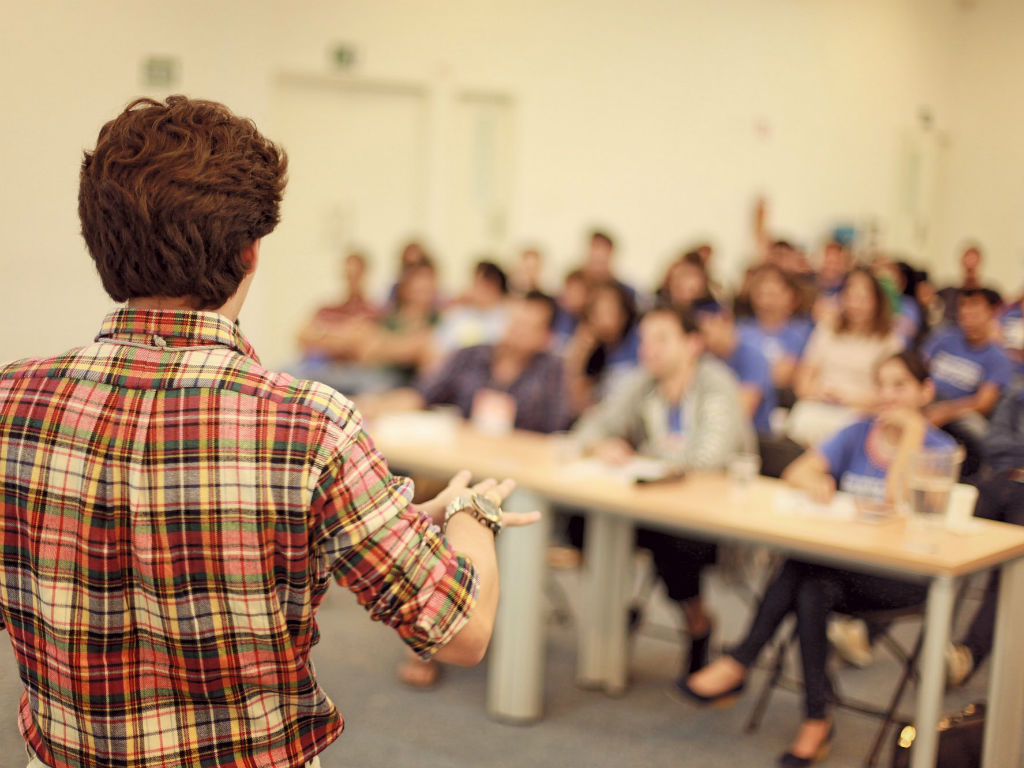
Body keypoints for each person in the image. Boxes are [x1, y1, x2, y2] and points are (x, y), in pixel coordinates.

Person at [0, 95, 539, 768]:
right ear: (252, 252)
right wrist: (469, 513)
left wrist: (345, 524)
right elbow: (462, 631)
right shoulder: (307, 424)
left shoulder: (12, 401)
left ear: (98, 244)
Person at [684, 351, 955, 768]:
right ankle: (815, 718)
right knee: (810, 585)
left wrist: (914, 432)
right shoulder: (858, 431)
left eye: (899, 385)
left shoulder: (941, 448)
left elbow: (900, 502)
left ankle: (744, 660)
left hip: (903, 574)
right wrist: (819, 482)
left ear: (925, 391)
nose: (887, 395)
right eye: (881, 384)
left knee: (802, 568)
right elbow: (798, 472)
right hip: (845, 566)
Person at [572, 305, 754, 680]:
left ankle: (696, 622)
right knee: (581, 521)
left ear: (693, 344)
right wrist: (601, 446)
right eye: (643, 340)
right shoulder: (642, 382)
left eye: (661, 339)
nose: (648, 349)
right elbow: (589, 428)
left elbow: (710, 458)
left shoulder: (716, 383)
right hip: (655, 505)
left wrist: (641, 455)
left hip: (713, 515)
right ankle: (612, 615)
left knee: (672, 541)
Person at [947, 378, 1024, 685]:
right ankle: (867, 629)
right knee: (943, 532)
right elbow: (993, 444)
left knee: (1010, 567)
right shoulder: (1017, 393)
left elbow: (1006, 446)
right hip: (999, 481)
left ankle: (967, 654)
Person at [789, 267, 903, 445]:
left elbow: (890, 393)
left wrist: (847, 399)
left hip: (861, 412)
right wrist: (820, 393)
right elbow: (804, 377)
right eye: (851, 296)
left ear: (877, 301)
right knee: (800, 421)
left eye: (863, 298)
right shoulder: (827, 329)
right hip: (820, 404)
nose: (855, 304)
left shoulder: (889, 341)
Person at [922, 287, 1012, 476]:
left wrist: (945, 412)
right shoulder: (945, 336)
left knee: (976, 429)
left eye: (975, 309)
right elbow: (917, 369)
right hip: (926, 397)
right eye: (964, 307)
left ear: (992, 312)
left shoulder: (998, 356)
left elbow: (983, 403)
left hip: (961, 411)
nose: (968, 314)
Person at [430, 260, 510, 364]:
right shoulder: (456, 314)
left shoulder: (508, 318)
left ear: (497, 287)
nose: (479, 289)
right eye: (477, 282)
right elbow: (435, 348)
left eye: (486, 285)